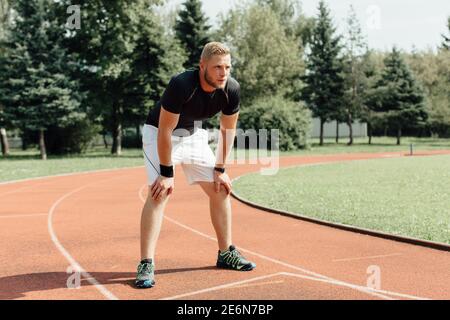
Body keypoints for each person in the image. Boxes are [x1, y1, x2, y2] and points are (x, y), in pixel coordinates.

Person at [135, 42, 256, 289]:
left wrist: (220, 170)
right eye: (217, 68)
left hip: (193, 135)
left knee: (220, 188)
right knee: (159, 193)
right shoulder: (182, 85)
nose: (224, 73)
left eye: (228, 67)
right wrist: (167, 174)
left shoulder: (231, 89)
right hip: (159, 134)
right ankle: (146, 263)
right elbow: (166, 131)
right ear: (202, 67)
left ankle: (226, 253)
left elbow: (227, 130)